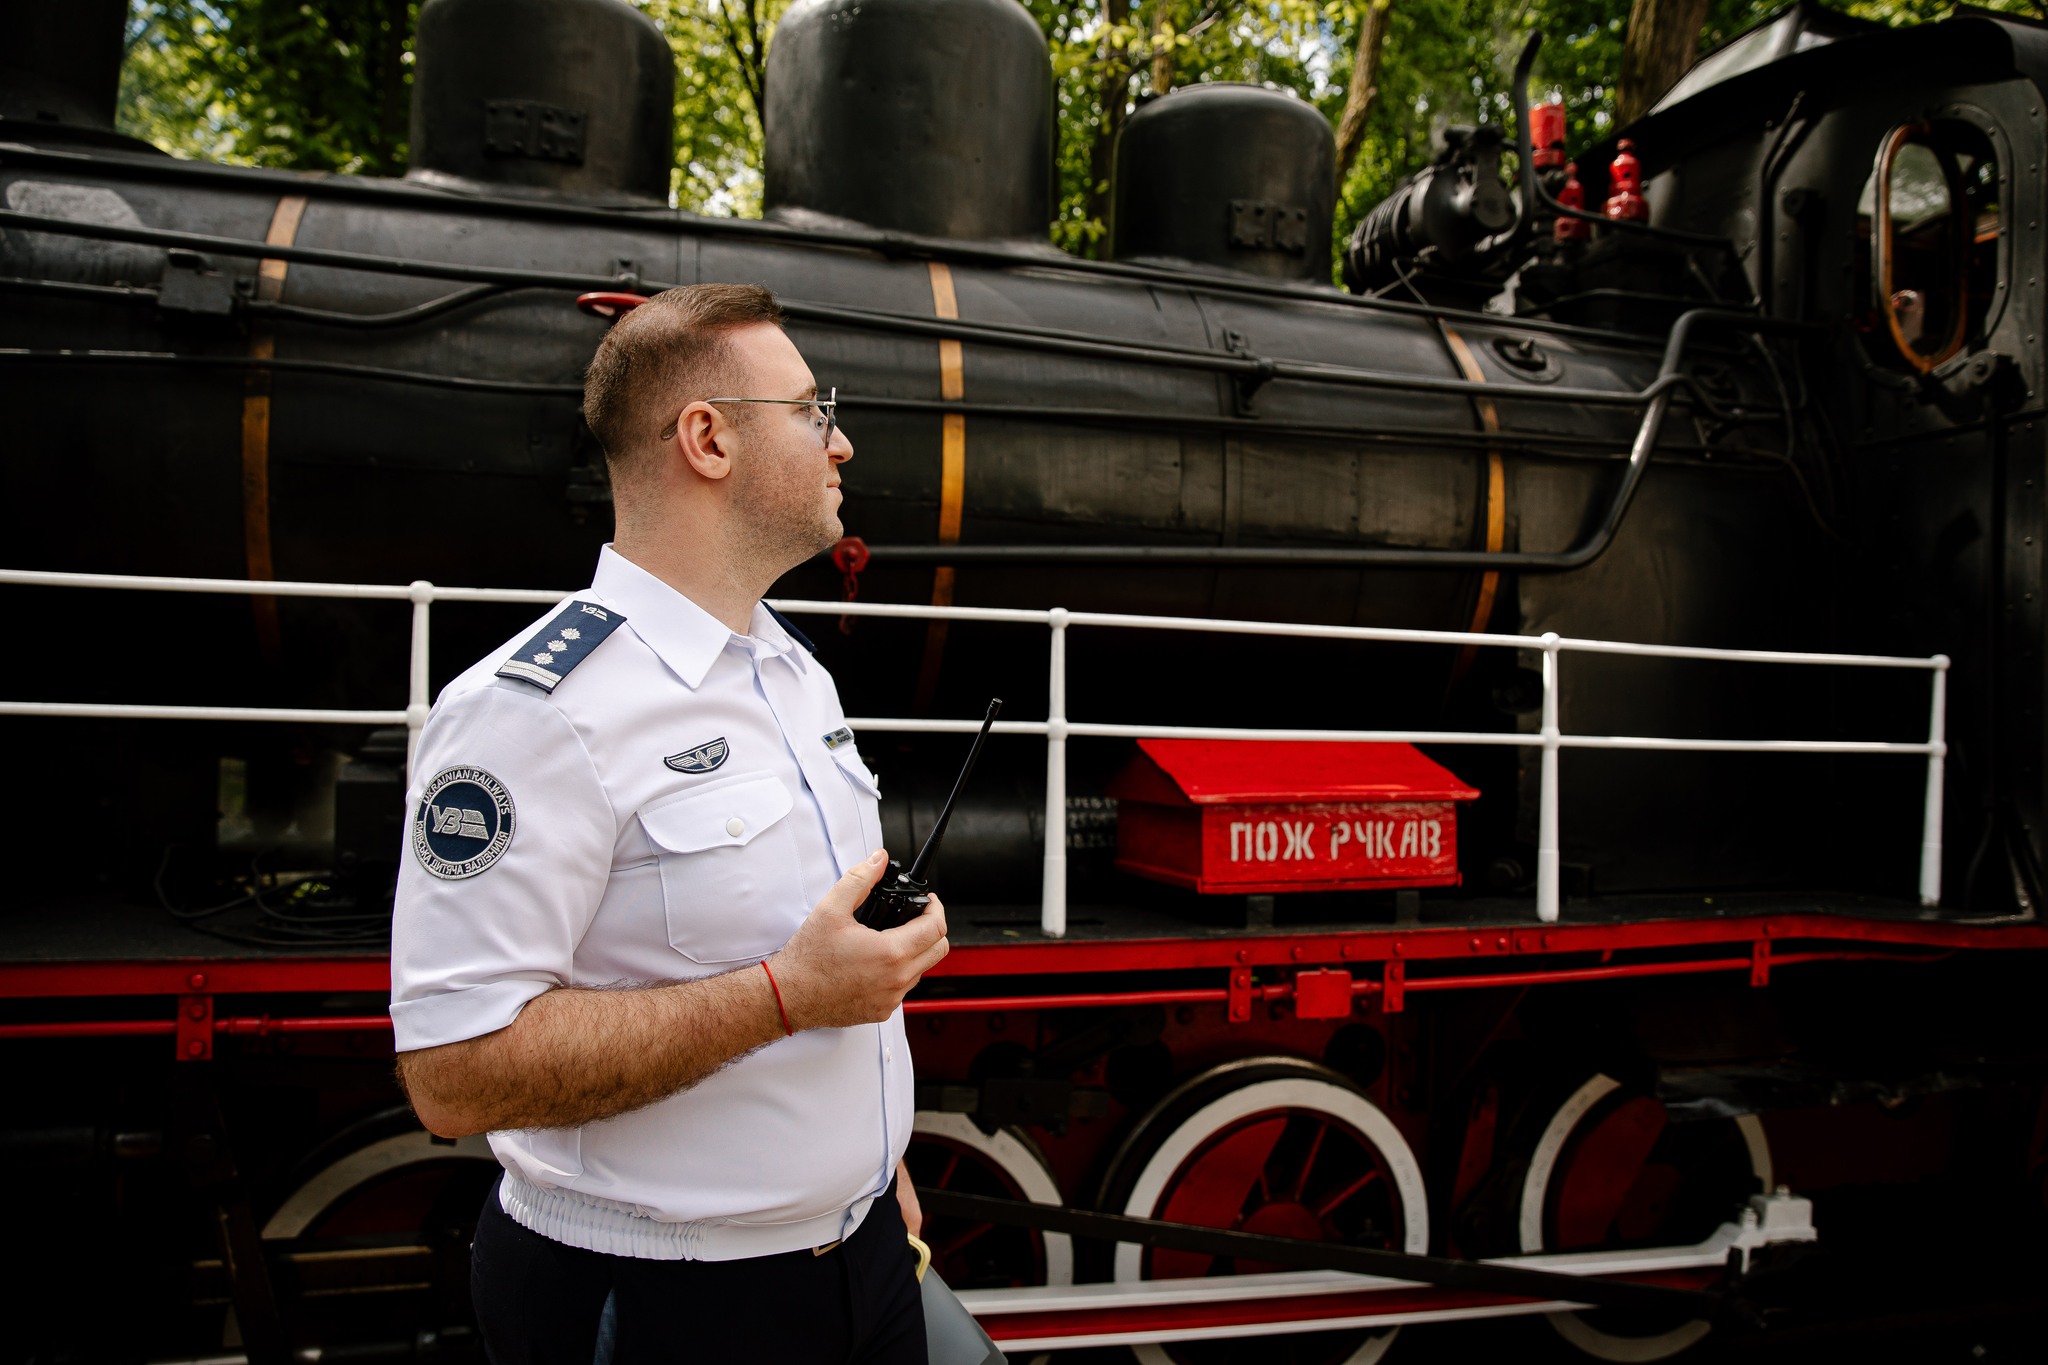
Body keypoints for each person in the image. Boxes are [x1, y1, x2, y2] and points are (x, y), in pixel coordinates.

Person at [389, 283, 947, 1365]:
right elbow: (453, 1076)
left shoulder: (794, 674)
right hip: (658, 1307)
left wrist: (871, 1163)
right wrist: (789, 998)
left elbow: (811, 944)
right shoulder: (528, 714)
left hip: (863, 1254)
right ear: (708, 439)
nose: (841, 443)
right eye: (809, 409)